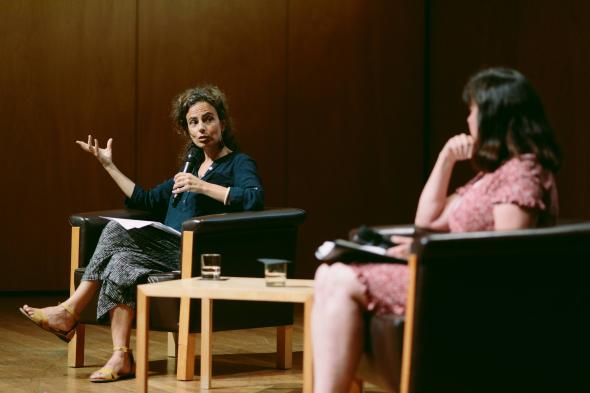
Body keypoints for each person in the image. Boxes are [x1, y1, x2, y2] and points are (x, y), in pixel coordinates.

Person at [311, 67, 561, 393]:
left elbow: (506, 257)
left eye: (473, 111)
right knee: (328, 273)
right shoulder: (492, 174)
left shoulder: (521, 171)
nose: (469, 120)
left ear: (494, 114)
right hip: (445, 274)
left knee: (342, 278)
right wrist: (445, 159)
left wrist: (428, 255)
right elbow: (426, 223)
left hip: (467, 287)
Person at [20, 85, 264, 382]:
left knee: (113, 230)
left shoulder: (239, 163)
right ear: (186, 130)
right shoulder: (189, 168)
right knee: (121, 261)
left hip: (195, 251)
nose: (201, 128)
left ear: (222, 123)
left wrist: (203, 187)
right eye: (193, 122)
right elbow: (144, 200)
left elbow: (253, 198)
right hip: (165, 249)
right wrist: (108, 165)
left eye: (208, 119)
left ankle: (70, 310)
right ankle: (121, 355)